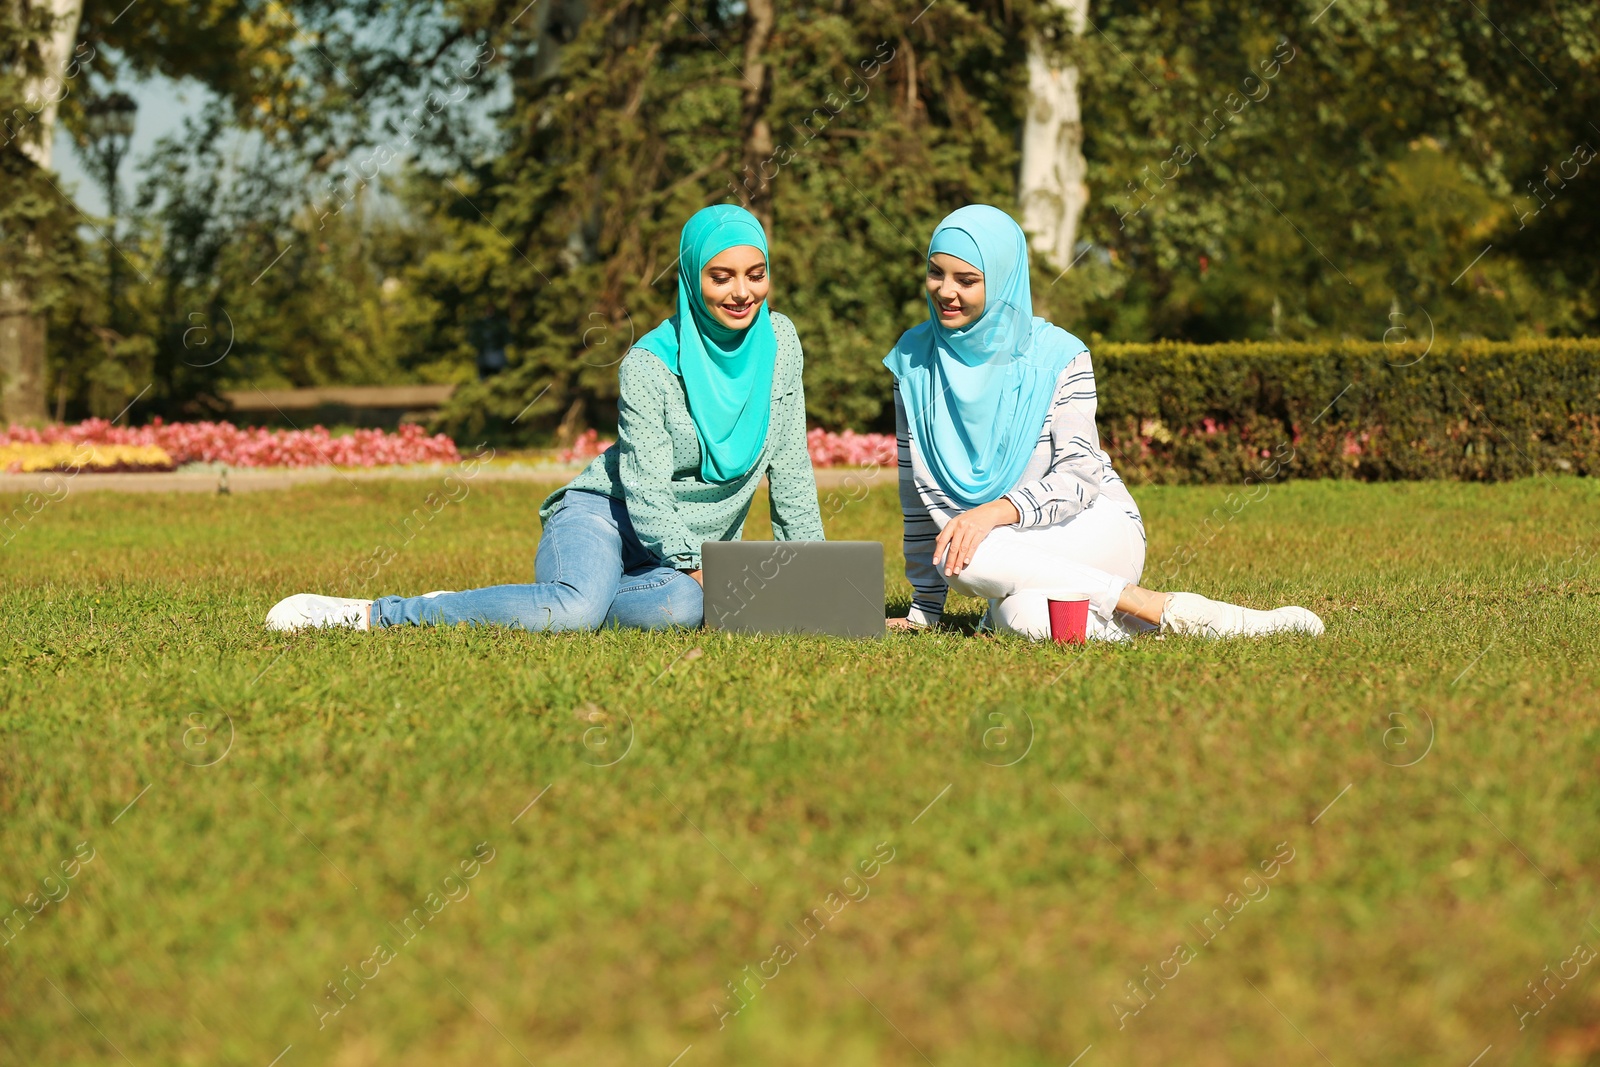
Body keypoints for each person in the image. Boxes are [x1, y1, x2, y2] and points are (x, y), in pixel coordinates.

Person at [265, 204, 825, 633]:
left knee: (680, 607)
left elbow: (791, 465)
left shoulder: (782, 342)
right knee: (576, 610)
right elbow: (648, 491)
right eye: (721, 276)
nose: (742, 292)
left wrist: (815, 579)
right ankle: (385, 615)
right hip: (607, 517)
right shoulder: (649, 366)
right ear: (689, 279)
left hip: (677, 564)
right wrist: (698, 564)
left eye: (756, 274)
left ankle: (527, 607)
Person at [883, 204, 1323, 641]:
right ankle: (1191, 621)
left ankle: (1151, 604)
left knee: (963, 556)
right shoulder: (913, 360)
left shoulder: (1058, 355)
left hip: (1093, 528)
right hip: (1004, 547)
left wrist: (994, 513)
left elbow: (1079, 476)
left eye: (967, 280)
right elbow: (915, 497)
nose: (945, 291)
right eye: (936, 273)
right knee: (1026, 616)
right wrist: (925, 610)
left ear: (1003, 281)